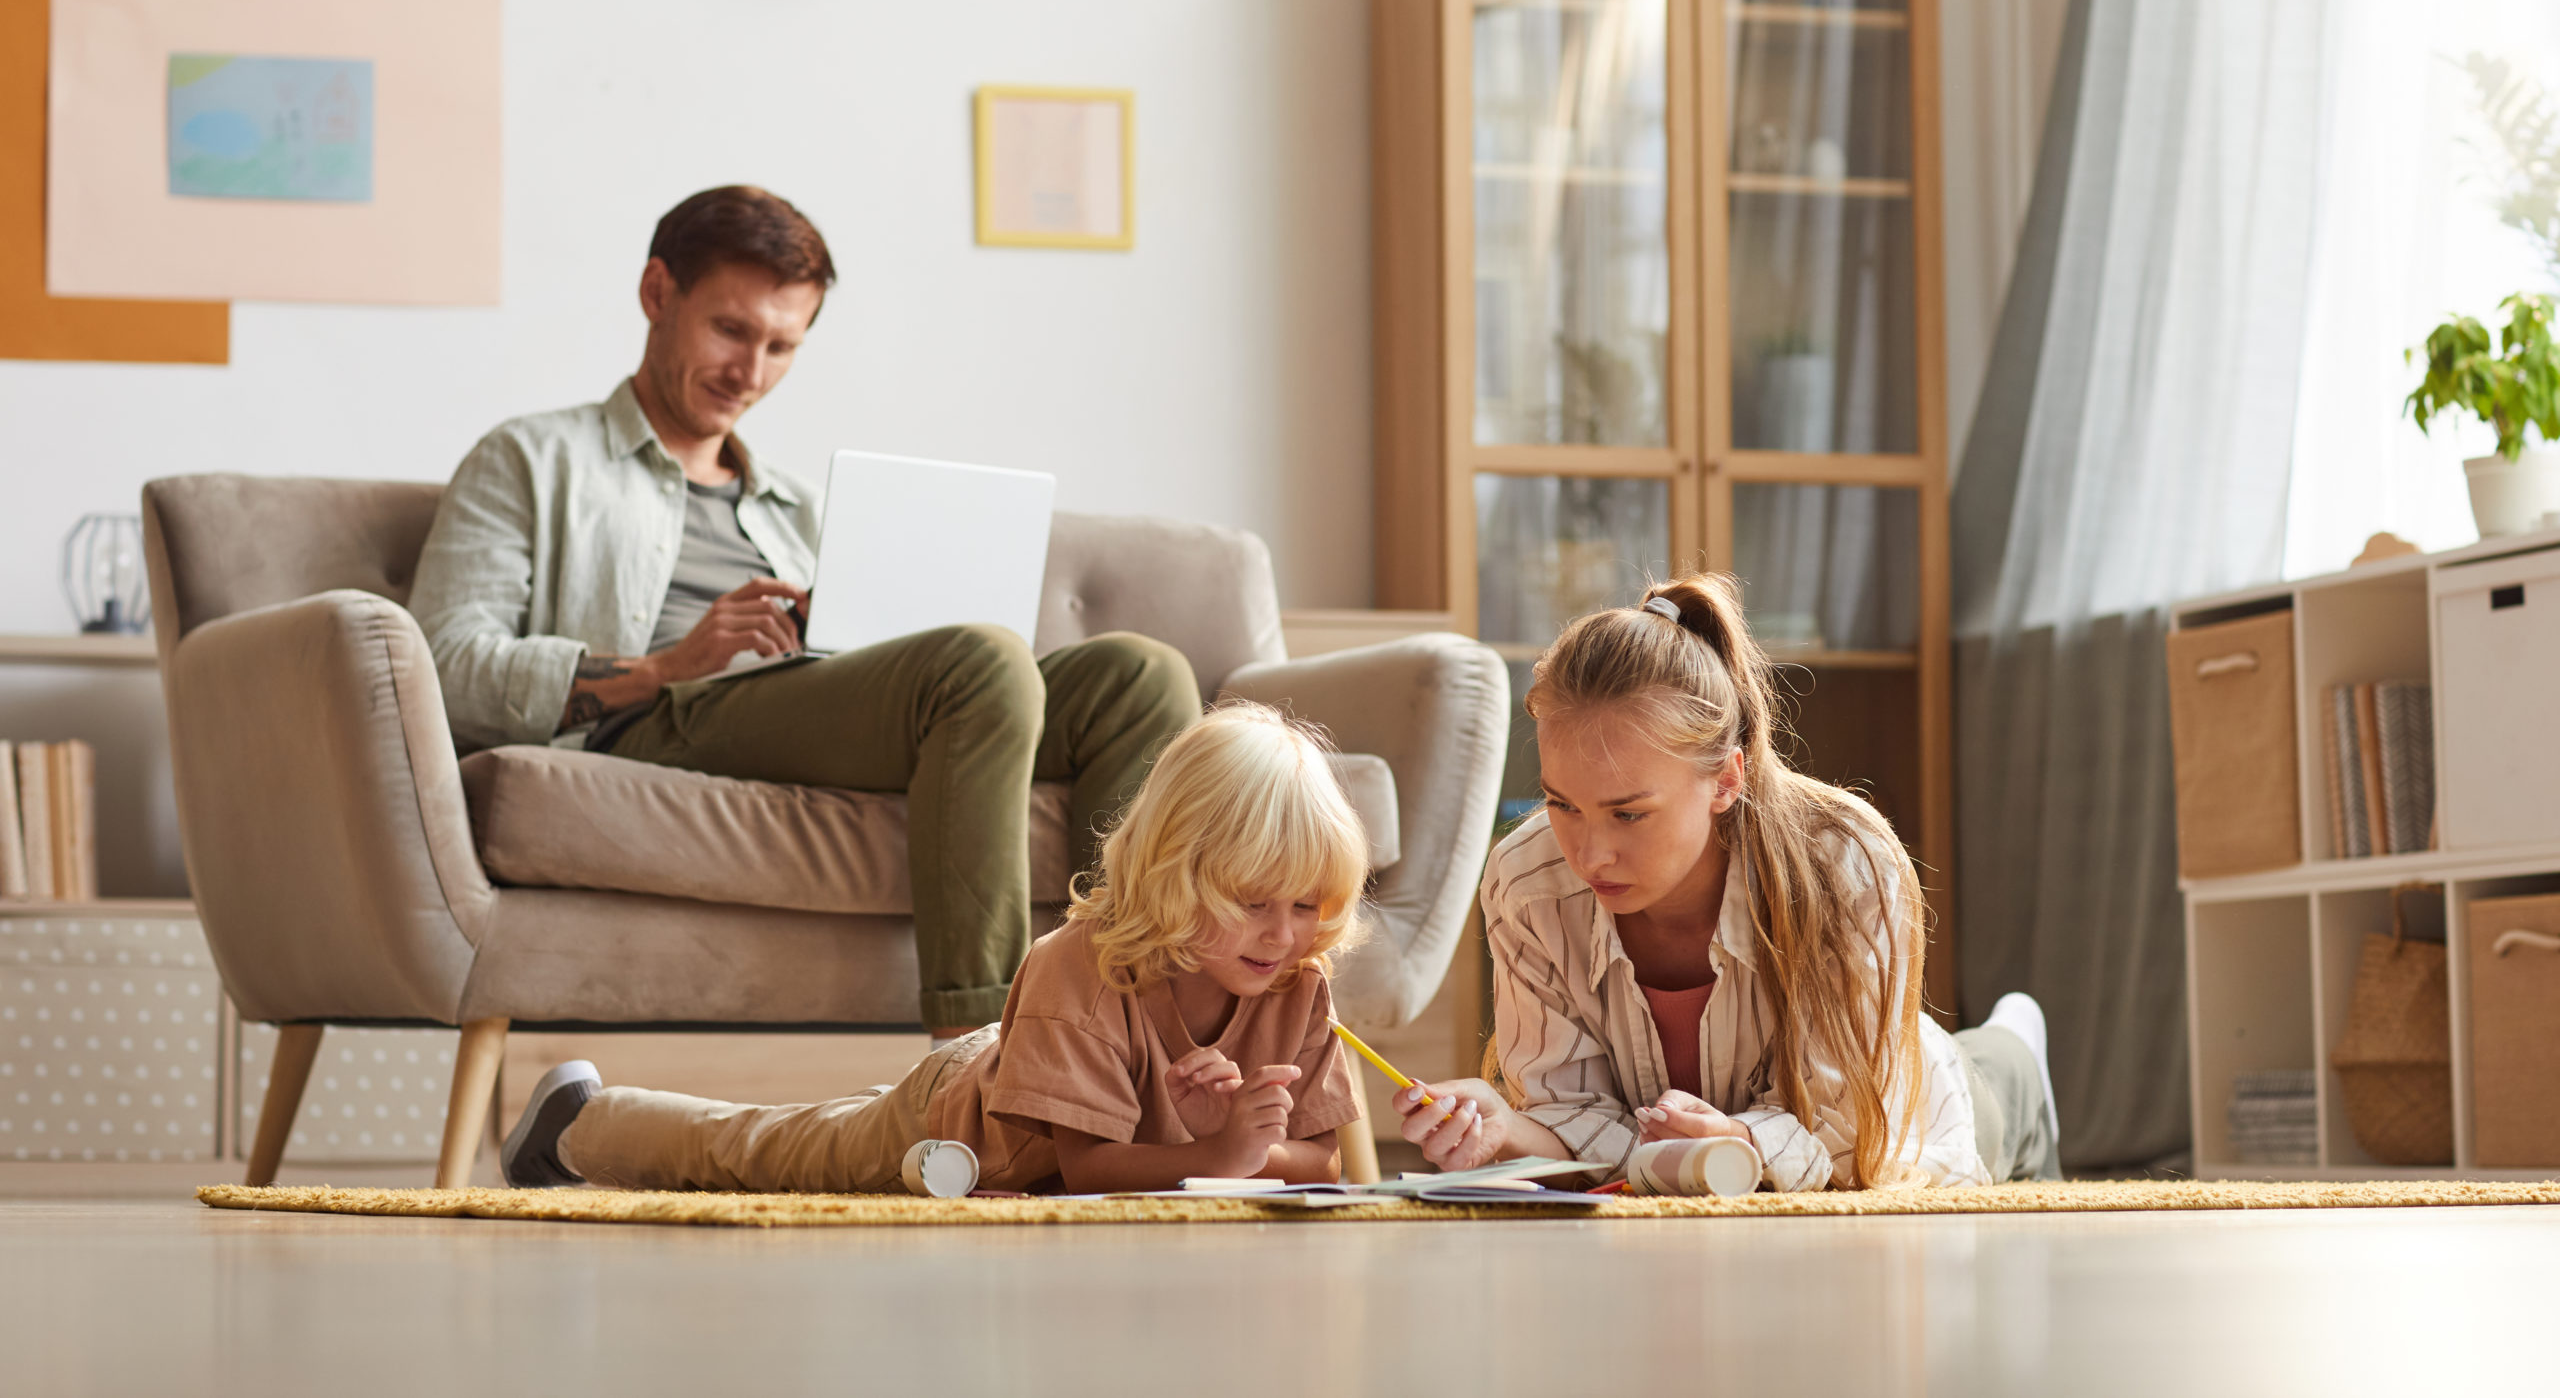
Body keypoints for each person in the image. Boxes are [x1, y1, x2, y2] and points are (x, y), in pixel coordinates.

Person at [407, 185, 1201, 1037]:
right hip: (655, 721)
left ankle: (1134, 1035)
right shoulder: (531, 458)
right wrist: (664, 666)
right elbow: (445, 663)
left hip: (797, 714)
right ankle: (995, 1062)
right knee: (982, 663)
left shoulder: (792, 505)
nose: (751, 373)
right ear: (656, 294)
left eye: (782, 345)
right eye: (731, 330)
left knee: (1141, 674)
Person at [499, 703, 1369, 1194]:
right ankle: (577, 1121)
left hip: (1016, 1099)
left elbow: (1319, 1163)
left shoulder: (1296, 983)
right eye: (1254, 902)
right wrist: (1217, 1156)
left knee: (788, 1143)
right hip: (953, 1116)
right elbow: (1087, 1166)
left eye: (1306, 904)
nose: (1284, 933)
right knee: (767, 1153)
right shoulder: (1084, 965)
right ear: (1178, 872)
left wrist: (1240, 1148)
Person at [1389, 573, 2061, 1191]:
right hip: (1737, 1163)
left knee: (1997, 1084)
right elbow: (1572, 1117)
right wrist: (1503, 1127)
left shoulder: (1844, 861)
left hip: (1922, 1109)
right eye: (1563, 804)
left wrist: (1741, 1140)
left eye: (1629, 813)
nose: (1590, 853)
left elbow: (1856, 1145)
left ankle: (2017, 1041)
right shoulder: (1526, 878)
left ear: (1726, 780)